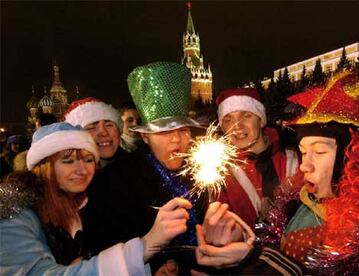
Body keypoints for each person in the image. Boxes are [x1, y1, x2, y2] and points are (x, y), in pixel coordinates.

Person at [194, 53, 359, 275]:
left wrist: (258, 260)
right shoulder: (295, 202)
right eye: (303, 152)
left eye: (318, 151)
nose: (304, 166)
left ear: (356, 157)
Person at [0, 122, 192, 275]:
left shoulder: (86, 205)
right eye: (68, 160)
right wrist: (146, 245)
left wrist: (150, 269)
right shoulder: (15, 212)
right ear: (44, 165)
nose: (81, 170)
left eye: (88, 159)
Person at [82, 62, 205, 273]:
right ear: (145, 136)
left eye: (183, 130)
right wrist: (152, 268)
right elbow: (101, 252)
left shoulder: (203, 173)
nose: (177, 138)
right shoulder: (112, 183)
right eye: (164, 131)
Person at [215, 87, 298, 229]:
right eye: (228, 120)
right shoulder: (218, 175)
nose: (237, 126)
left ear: (261, 121)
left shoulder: (294, 161)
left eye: (246, 116)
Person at [65, 97, 127, 168]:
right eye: (92, 127)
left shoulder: (137, 167)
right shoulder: (67, 175)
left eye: (109, 125)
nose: (104, 133)